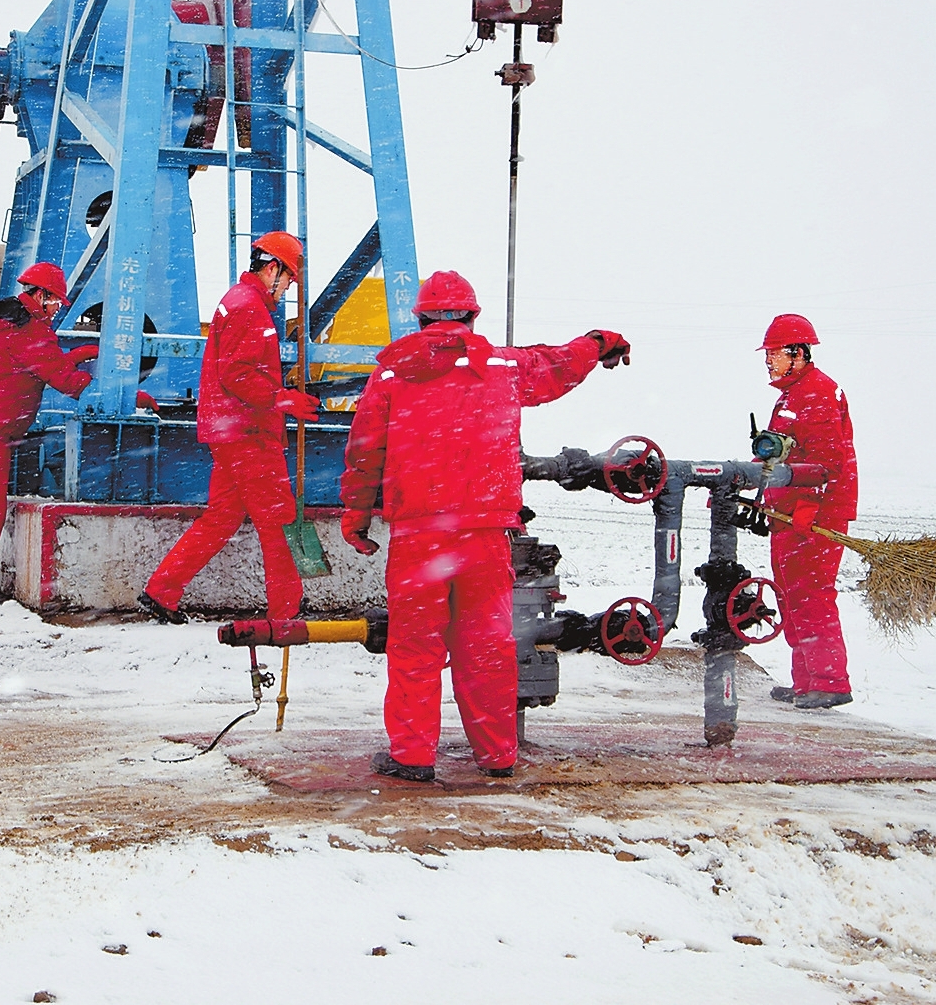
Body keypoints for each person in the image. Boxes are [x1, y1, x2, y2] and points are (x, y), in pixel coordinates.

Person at [339, 271, 630, 781]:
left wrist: (357, 513)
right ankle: (498, 755)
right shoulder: (503, 367)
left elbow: (365, 452)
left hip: (418, 538)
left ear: (421, 317)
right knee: (487, 648)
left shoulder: (391, 374)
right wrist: (599, 342)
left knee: (415, 647)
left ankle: (412, 757)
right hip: (485, 536)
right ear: (472, 316)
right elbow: (558, 363)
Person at [139, 232, 321, 624]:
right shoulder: (249, 308)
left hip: (232, 431)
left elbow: (240, 369)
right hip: (248, 433)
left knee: (222, 517)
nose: (289, 287)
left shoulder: (240, 302)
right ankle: (286, 611)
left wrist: (278, 394)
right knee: (278, 520)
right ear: (272, 268)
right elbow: (237, 373)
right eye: (288, 278)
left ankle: (162, 589)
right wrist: (281, 399)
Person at [0, 262, 100, 604]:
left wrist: (79, 355)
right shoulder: (29, 332)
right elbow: (65, 381)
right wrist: (120, 391)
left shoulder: (9, 324)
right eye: (56, 303)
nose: (57, 310)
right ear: (40, 296)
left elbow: (40, 362)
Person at [757, 313, 859, 710]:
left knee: (811, 595)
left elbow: (826, 464)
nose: (768, 361)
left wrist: (808, 507)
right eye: (767, 354)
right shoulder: (792, 394)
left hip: (813, 516)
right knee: (791, 595)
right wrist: (750, 481)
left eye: (774, 353)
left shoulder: (816, 393)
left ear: (798, 352)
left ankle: (829, 683)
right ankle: (807, 681)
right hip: (790, 513)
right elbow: (781, 452)